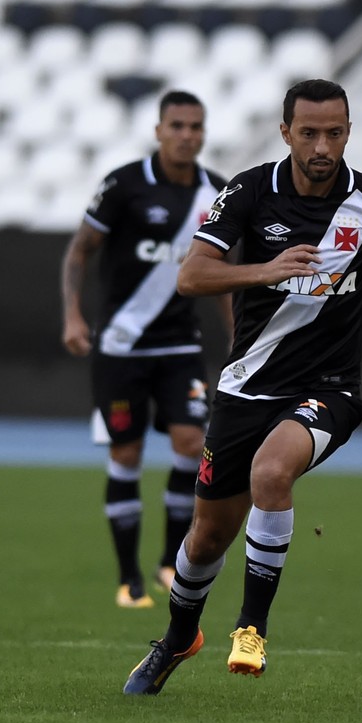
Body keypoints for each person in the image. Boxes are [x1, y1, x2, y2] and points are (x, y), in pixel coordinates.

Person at [123, 78, 362, 695]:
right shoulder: (249, 189)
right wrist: (265, 270)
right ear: (286, 134)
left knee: (272, 474)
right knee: (206, 538)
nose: (322, 146)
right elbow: (192, 275)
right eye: (309, 133)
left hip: (329, 388)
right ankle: (177, 639)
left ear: (349, 132)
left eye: (334, 132)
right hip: (247, 387)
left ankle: (251, 629)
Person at [60, 90, 231, 609]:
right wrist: (72, 313)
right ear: (158, 130)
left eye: (195, 126)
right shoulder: (125, 184)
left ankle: (167, 561)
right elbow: (79, 251)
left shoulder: (217, 193)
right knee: (127, 453)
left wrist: (236, 338)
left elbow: (222, 276)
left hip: (180, 347)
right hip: (121, 347)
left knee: (189, 445)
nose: (186, 135)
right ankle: (128, 576)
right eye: (176, 125)